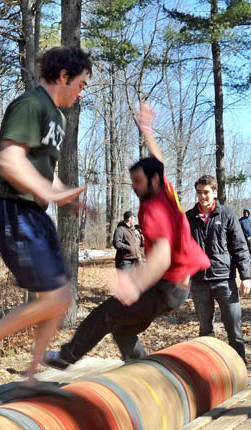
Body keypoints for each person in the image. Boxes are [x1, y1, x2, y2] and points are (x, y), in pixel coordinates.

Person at [43, 103, 210, 369]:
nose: (133, 187)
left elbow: (163, 255)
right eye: (131, 181)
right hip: (176, 288)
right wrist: (146, 130)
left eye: (138, 182)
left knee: (106, 312)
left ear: (152, 181)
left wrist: (134, 284)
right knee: (122, 326)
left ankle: (67, 356)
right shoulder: (164, 190)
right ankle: (144, 371)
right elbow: (159, 161)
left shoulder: (155, 210)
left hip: (166, 287)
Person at [0, 46, 91, 381]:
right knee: (58, 298)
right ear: (64, 76)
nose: (81, 92)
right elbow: (9, 161)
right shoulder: (30, 105)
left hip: (36, 215)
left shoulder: (58, 117)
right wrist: (45, 192)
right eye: (81, 84)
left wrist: (64, 195)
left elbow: (43, 169)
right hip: (14, 211)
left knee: (58, 299)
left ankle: (30, 376)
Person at [186, 176, 251, 362]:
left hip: (224, 280)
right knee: (205, 332)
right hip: (199, 282)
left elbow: (239, 246)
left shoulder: (227, 214)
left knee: (234, 329)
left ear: (214, 192)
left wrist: (245, 277)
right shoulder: (188, 218)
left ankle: (240, 367)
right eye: (199, 192)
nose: (202, 196)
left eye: (206, 192)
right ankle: (210, 369)